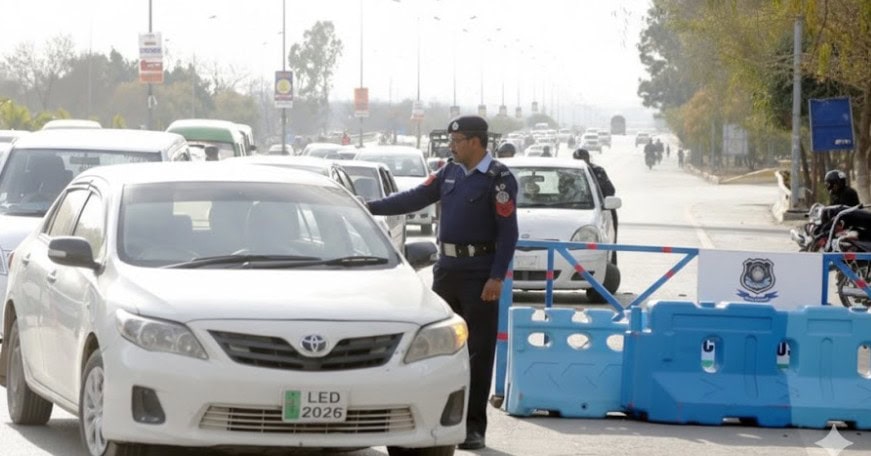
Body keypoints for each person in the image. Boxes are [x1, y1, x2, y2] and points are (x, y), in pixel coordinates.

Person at [367, 115, 519, 451]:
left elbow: (509, 233)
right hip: (447, 270)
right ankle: (436, 422)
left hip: (480, 275)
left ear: (476, 142)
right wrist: (367, 208)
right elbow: (412, 199)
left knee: (478, 352)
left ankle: (473, 427)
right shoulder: (448, 172)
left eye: (458, 140)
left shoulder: (499, 179)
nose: (452, 145)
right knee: (438, 349)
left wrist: (497, 276)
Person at [573, 148, 618, 239]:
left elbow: (610, 191)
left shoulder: (597, 171)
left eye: (583, 158)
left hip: (599, 208)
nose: (581, 162)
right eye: (577, 159)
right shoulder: (570, 173)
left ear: (588, 158)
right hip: (574, 208)